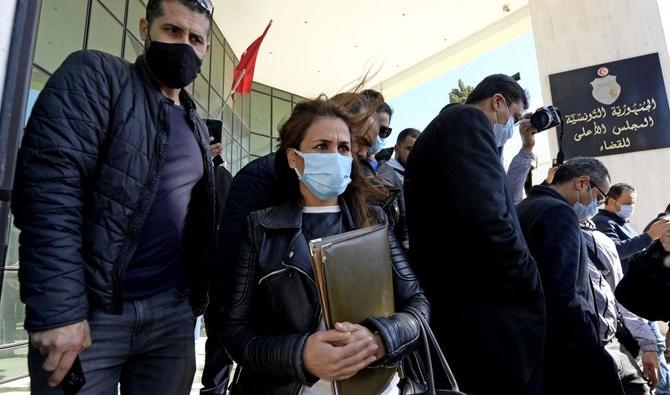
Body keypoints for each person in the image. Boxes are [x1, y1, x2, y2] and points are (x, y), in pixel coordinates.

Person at [12, 0, 216, 393]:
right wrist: (59, 313)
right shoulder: (97, 76)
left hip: (171, 320)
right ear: (145, 29)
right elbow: (50, 196)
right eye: (171, 31)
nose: (183, 46)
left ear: (206, 49)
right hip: (90, 318)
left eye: (195, 39)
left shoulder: (194, 123)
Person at [221, 96, 429, 394]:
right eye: (322, 146)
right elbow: (234, 332)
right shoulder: (260, 227)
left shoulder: (374, 221)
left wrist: (381, 338)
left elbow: (417, 306)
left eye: (343, 147)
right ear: (294, 158)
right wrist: (300, 354)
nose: (336, 156)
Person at [405, 73, 546, 394]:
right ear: (497, 101)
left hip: (461, 302)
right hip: (482, 306)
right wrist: (528, 276)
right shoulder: (466, 119)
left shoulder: (447, 129)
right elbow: (488, 216)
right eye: (514, 117)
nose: (513, 127)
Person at [516, 157, 623, 394]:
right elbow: (563, 292)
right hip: (562, 348)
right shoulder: (559, 213)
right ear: (582, 183)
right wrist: (593, 347)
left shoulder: (527, 206)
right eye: (599, 197)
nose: (597, 205)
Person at [581, 219, 659, 394]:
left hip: (611, 341)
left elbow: (619, 297)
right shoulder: (548, 228)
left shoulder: (599, 239)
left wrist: (648, 345)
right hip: (579, 348)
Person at [594, 183, 670, 272]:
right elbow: (614, 251)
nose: (631, 208)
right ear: (611, 201)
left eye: (633, 204)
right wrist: (649, 235)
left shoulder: (621, 221)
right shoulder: (602, 222)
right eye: (627, 203)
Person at [376, 128, 420, 251]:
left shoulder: (418, 175)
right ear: (397, 149)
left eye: (417, 150)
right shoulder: (385, 173)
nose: (413, 154)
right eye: (409, 149)